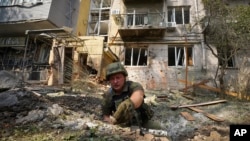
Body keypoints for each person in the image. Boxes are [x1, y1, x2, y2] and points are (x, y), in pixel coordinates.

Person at [101, 62, 153, 127]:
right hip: (123, 127)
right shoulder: (107, 96)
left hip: (143, 123)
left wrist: (127, 104)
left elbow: (139, 96)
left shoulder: (133, 86)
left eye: (118, 77)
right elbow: (106, 117)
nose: (115, 81)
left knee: (161, 131)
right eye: (112, 79)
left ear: (124, 77)